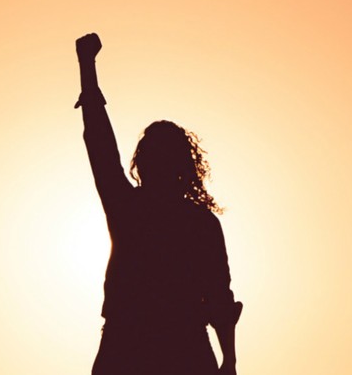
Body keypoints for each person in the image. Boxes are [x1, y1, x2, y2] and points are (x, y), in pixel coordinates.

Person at [75, 33, 242, 375]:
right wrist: (229, 361)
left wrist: (87, 67)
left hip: (144, 348)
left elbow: (101, 146)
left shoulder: (131, 209)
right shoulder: (196, 222)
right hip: (160, 348)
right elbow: (219, 301)